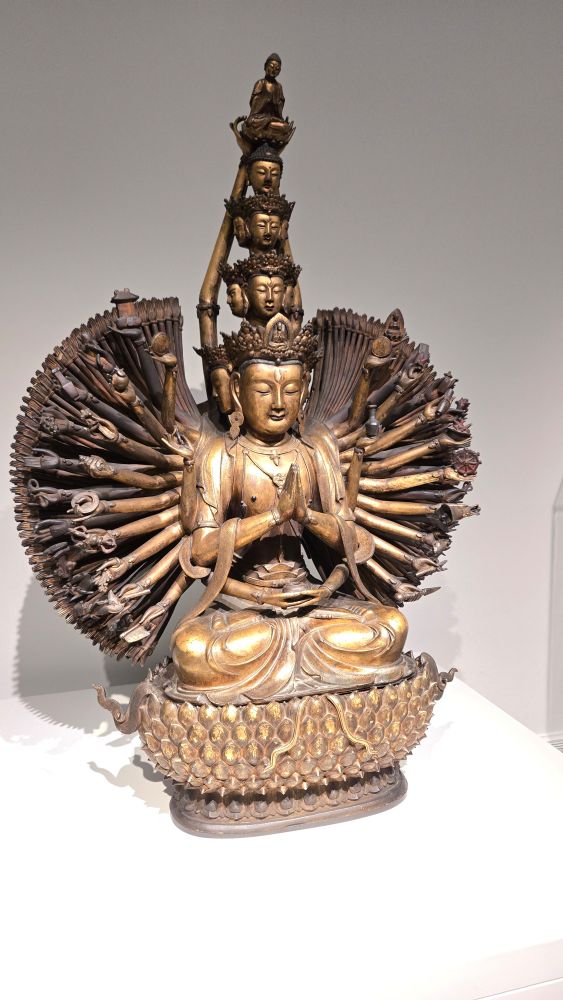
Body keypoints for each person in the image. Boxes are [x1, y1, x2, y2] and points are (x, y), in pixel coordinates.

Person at [168, 319, 409, 705]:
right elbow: (200, 551)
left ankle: (290, 675)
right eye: (263, 389)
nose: (278, 402)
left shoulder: (316, 451)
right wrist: (272, 518)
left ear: (306, 390)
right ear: (237, 389)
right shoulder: (221, 456)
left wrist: (308, 518)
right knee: (193, 649)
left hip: (310, 598)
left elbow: (355, 543)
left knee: (391, 625)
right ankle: (310, 676)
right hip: (246, 606)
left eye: (292, 389)